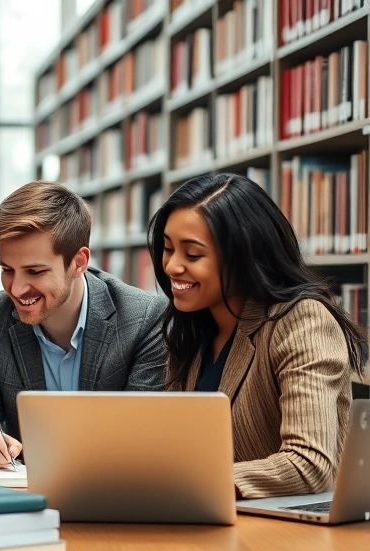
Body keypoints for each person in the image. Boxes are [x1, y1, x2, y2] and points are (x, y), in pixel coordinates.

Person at [150, 173, 364, 499]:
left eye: (192, 255)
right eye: (168, 248)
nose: (172, 267)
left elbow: (309, 464)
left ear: (243, 257)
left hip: (285, 535)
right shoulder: (191, 327)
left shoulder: (301, 321)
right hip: (206, 519)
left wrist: (193, 480)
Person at [0, 181, 167, 468]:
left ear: (78, 262)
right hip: (24, 497)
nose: (17, 288)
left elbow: (146, 435)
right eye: (7, 270)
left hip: (114, 490)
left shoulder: (143, 318)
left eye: (35, 271)